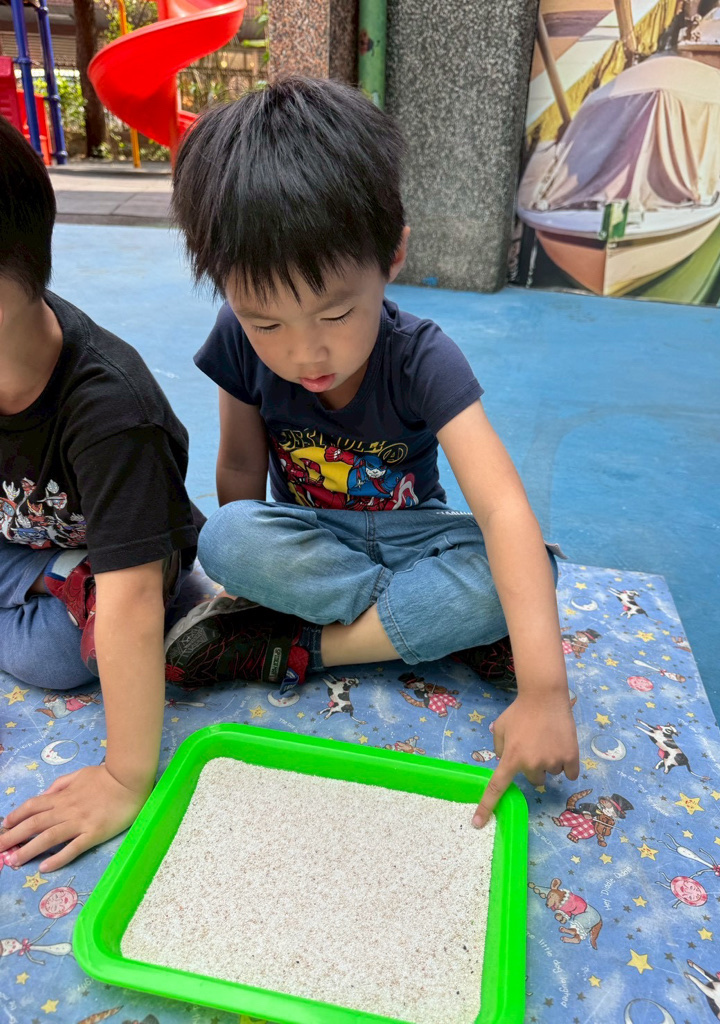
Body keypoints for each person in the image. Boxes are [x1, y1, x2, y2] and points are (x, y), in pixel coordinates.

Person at [165, 76, 580, 826]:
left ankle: (302, 648)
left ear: (392, 256)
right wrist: (249, 587)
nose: (305, 353)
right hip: (315, 545)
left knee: (528, 568)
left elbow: (502, 508)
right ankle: (437, 633)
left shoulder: (423, 356)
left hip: (410, 539)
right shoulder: (235, 341)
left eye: (335, 314)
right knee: (224, 537)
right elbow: (240, 470)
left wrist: (545, 691)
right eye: (266, 323)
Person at [0, 118, 202, 871]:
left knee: (61, 657)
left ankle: (64, 588)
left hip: (125, 565)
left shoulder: (111, 411)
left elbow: (134, 599)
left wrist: (124, 777)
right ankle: (53, 582)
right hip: (26, 545)